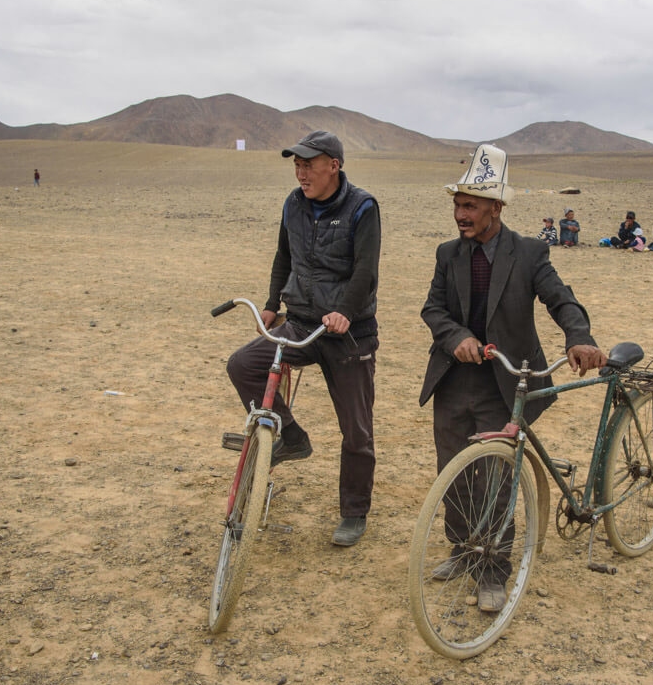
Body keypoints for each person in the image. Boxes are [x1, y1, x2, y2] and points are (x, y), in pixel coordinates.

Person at [419, 144, 607, 613]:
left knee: (497, 480)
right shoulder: (447, 254)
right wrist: (456, 335)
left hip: (505, 383)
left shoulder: (528, 253)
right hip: (455, 377)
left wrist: (578, 337)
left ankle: (494, 570)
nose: (461, 214)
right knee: (454, 471)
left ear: (495, 208)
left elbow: (561, 299)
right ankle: (462, 551)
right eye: (458, 205)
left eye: (471, 205)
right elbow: (433, 308)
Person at [226, 131, 380, 547]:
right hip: (302, 322)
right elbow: (284, 255)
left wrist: (345, 312)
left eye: (308, 164)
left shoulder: (362, 207)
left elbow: (365, 270)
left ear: (334, 164)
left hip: (349, 334)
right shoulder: (293, 204)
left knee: (357, 430)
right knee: (244, 364)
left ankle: (353, 512)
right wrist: (273, 303)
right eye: (296, 164)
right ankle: (292, 436)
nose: (300, 172)